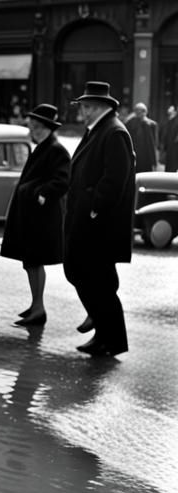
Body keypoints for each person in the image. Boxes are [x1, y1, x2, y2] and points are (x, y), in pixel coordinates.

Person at [63, 81, 136, 358]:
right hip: (88, 221)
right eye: (83, 106)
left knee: (100, 284)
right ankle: (102, 334)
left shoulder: (114, 131)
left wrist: (95, 208)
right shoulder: (101, 129)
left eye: (89, 107)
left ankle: (112, 341)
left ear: (105, 107)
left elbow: (115, 179)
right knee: (85, 276)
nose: (85, 112)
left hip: (98, 225)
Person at [0, 104, 71, 327]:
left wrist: (42, 193)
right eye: (31, 126)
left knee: (35, 260)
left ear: (48, 127)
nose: (33, 131)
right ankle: (35, 304)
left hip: (42, 216)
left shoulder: (55, 149)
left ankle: (39, 308)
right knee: (31, 261)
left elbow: (62, 180)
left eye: (37, 127)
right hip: (33, 214)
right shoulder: (42, 147)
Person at [124, 102, 158, 174]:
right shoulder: (130, 123)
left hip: (147, 155)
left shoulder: (152, 124)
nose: (139, 113)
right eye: (137, 111)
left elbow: (153, 143)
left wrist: (154, 160)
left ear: (145, 112)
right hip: (134, 154)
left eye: (141, 111)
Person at [161, 104, 178, 173]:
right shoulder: (172, 120)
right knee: (170, 164)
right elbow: (166, 132)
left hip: (175, 145)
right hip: (171, 145)